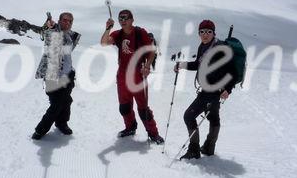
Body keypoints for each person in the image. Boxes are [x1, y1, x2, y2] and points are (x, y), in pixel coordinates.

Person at [174, 19, 237, 159]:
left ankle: (194, 150)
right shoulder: (203, 46)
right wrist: (182, 65)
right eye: (202, 32)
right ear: (199, 34)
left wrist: (228, 89)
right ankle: (209, 148)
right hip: (209, 89)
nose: (205, 34)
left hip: (213, 91)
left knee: (189, 116)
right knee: (214, 118)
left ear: (213, 33)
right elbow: (198, 64)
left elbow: (233, 71)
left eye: (208, 32)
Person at [101, 9, 164, 144]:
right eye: (120, 19)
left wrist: (147, 66)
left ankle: (154, 134)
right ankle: (130, 127)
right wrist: (108, 28)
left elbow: (151, 51)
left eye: (125, 18)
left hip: (138, 75)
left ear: (132, 20)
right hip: (122, 75)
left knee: (143, 108)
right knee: (124, 106)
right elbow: (104, 42)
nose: (122, 21)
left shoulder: (140, 33)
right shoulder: (118, 34)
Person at [32, 12, 81, 140]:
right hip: (53, 76)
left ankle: (61, 123)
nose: (68, 23)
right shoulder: (53, 33)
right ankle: (40, 130)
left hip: (68, 75)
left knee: (66, 101)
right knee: (56, 105)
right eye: (65, 20)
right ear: (59, 21)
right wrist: (52, 27)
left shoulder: (70, 36)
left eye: (70, 21)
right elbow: (50, 37)